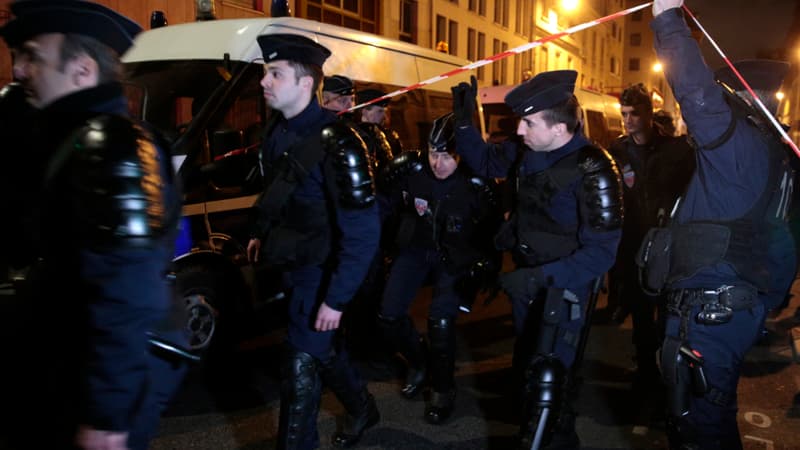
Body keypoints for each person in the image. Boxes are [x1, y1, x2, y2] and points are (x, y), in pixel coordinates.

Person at [0, 1, 189, 449]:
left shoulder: (113, 147)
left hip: (96, 375)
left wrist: (107, 417)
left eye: (34, 57)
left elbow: (128, 290)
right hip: (61, 354)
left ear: (83, 70)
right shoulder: (62, 137)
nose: (21, 70)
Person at [642, 1, 796, 447]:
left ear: (743, 96)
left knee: (698, 428)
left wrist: (668, 19)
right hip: (736, 307)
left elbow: (696, 93)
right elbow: (784, 241)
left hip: (710, 312)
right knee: (712, 416)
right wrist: (764, 300)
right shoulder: (778, 155)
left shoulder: (741, 145)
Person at [451, 71, 623, 449]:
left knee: (553, 379)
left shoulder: (594, 167)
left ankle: (555, 439)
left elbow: (601, 252)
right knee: (529, 368)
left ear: (560, 127)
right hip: (529, 280)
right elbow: (485, 162)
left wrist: (538, 279)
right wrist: (464, 123)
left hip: (566, 288)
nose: (519, 131)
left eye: (528, 122)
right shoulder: (528, 151)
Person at [245, 33, 380, 449]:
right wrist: (259, 232)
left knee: (300, 366)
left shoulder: (342, 142)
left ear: (306, 83)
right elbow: (278, 193)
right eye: (267, 73)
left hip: (324, 272)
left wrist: (336, 299)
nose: (264, 82)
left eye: (275, 73)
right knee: (320, 350)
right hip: (290, 261)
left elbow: (363, 231)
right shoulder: (277, 131)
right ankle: (362, 407)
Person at [377, 112, 496, 424]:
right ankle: (420, 364)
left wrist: (486, 264)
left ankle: (443, 389)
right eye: (433, 153)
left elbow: (494, 228)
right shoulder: (411, 168)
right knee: (389, 315)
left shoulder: (476, 181)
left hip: (455, 256)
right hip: (416, 249)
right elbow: (379, 201)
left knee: (440, 322)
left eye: (446, 155)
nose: (437, 163)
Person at [606, 84, 695, 411]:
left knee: (669, 315)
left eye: (634, 114)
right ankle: (646, 374)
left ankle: (669, 373)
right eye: (624, 114)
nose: (628, 120)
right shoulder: (618, 150)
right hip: (632, 246)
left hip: (668, 245)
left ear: (647, 114)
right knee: (642, 315)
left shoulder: (676, 150)